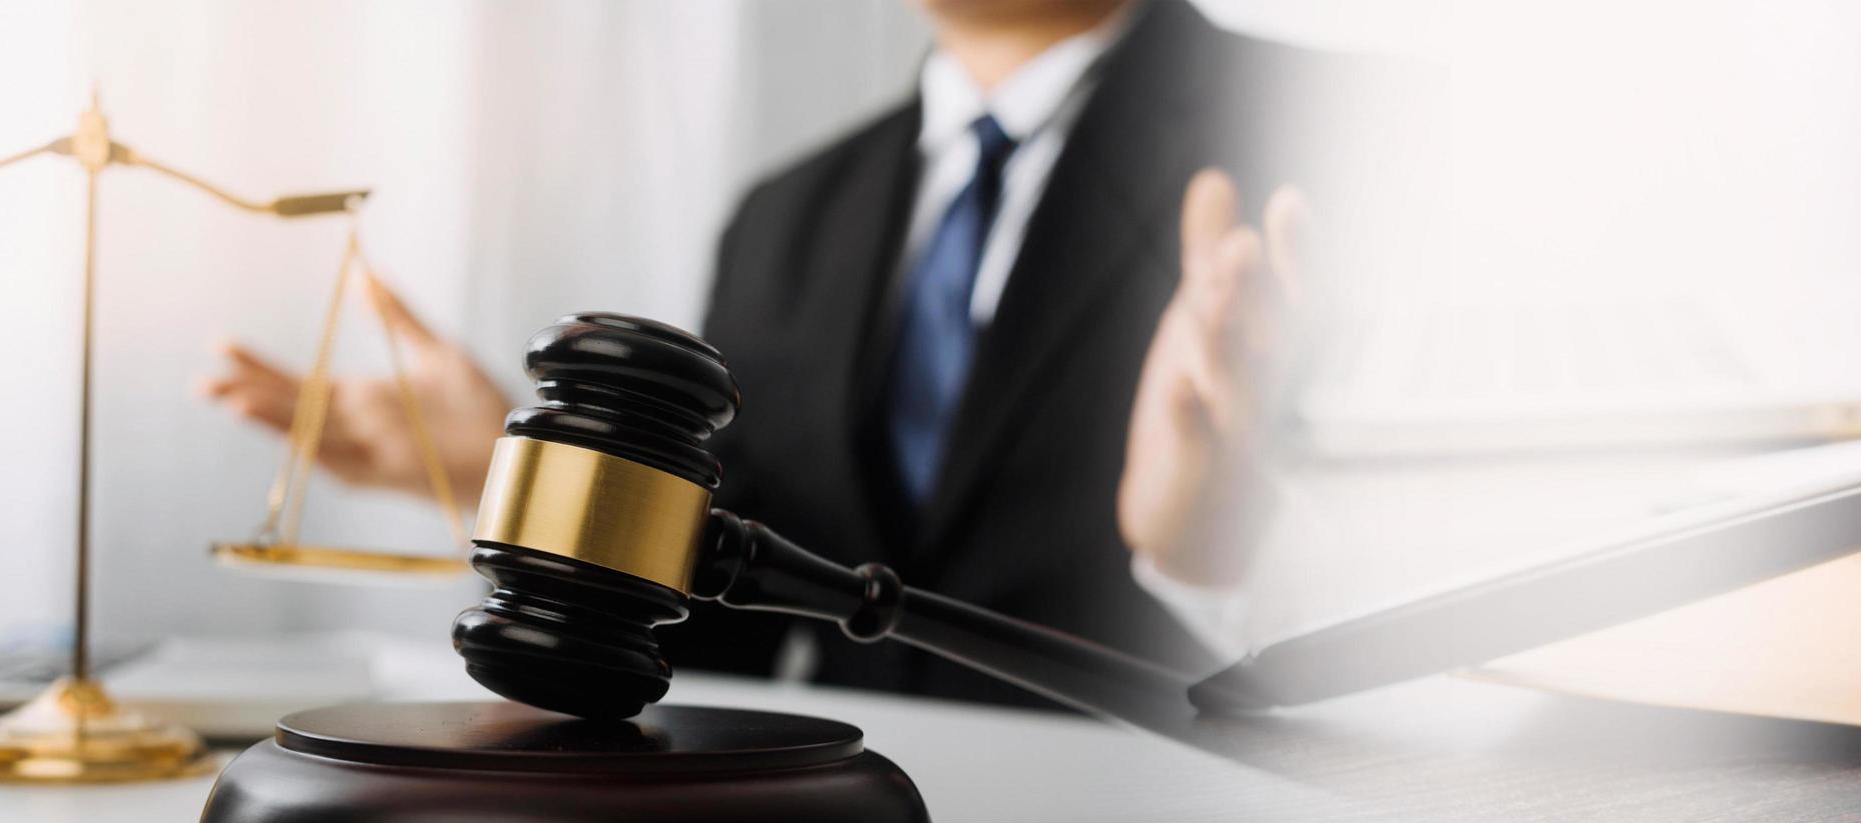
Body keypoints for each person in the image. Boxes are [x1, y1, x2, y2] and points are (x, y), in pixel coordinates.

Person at [204, 0, 1308, 708]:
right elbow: (707, 636)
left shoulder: (1336, 128)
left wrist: (1213, 558)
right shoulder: (783, 218)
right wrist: (540, 490)